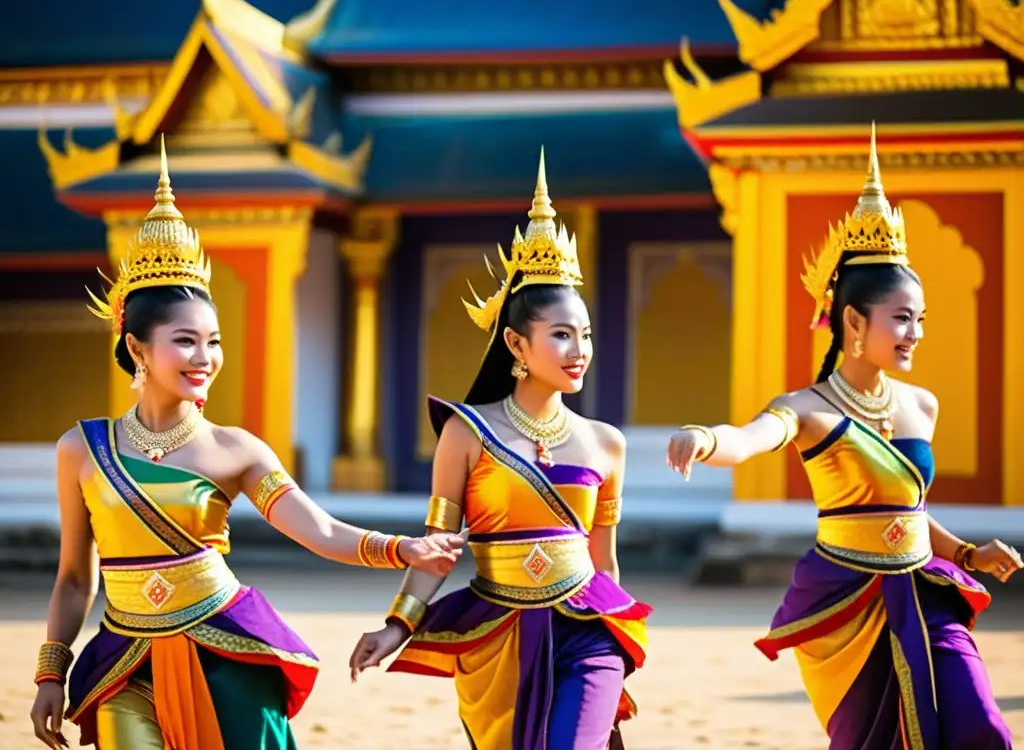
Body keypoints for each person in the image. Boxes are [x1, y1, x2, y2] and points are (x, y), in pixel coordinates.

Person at [28, 136, 464, 750]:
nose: (205, 358)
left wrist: (404, 548)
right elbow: (76, 577)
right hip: (124, 659)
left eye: (215, 341)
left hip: (225, 649)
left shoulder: (237, 450)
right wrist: (52, 670)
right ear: (136, 349)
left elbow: (319, 531)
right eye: (185, 341)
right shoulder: (82, 449)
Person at [666, 124, 1019, 749]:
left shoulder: (921, 406)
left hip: (925, 589)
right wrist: (703, 436)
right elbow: (748, 439)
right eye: (901, 319)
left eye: (921, 320)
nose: (914, 333)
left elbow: (910, 511)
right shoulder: (806, 409)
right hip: (848, 603)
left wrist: (967, 555)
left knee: (981, 728)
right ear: (854, 320)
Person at [347, 150, 650, 750]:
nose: (578, 349)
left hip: (587, 633)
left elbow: (603, 561)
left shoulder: (605, 443)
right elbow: (436, 550)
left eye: (585, 334)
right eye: (561, 334)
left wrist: (617, 634)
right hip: (496, 634)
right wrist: (397, 623)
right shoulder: (465, 433)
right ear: (516, 342)